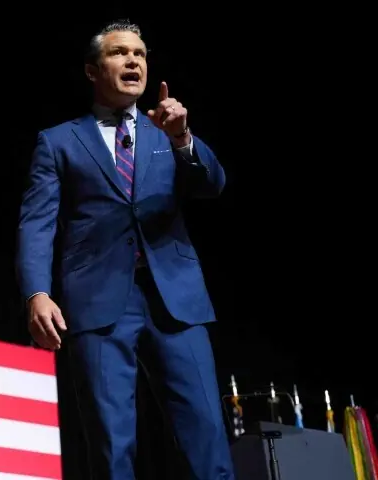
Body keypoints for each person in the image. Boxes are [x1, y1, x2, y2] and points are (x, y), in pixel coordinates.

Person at [16, 19, 235, 479]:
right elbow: (37, 223)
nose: (133, 60)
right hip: (97, 303)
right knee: (110, 443)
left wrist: (182, 139)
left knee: (206, 434)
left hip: (176, 301)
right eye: (119, 53)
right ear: (93, 70)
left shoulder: (167, 130)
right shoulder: (58, 141)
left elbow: (212, 185)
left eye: (140, 53)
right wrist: (36, 293)